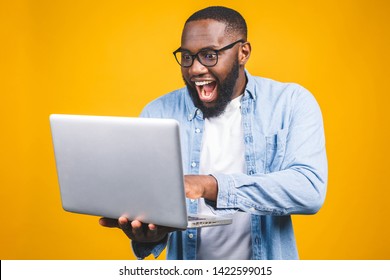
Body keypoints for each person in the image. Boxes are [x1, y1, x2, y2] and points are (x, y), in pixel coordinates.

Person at [99, 6, 327, 260]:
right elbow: (148, 201)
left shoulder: (290, 102)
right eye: (187, 56)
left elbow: (309, 189)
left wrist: (209, 186)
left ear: (243, 52)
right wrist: (150, 234)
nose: (195, 69)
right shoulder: (158, 112)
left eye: (209, 55)